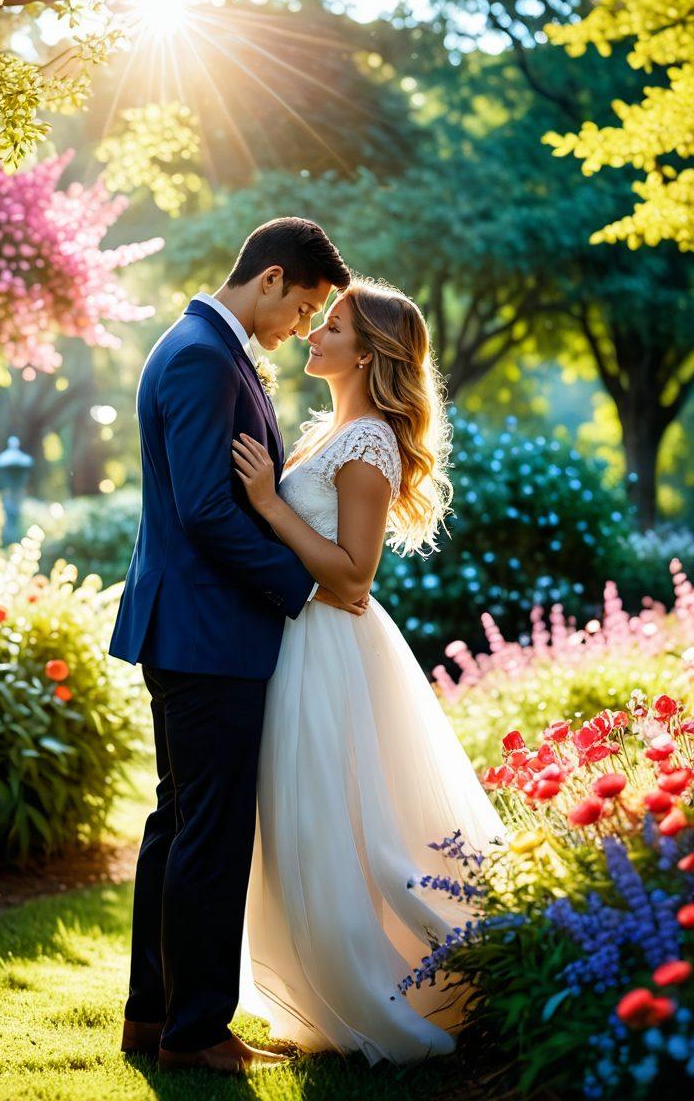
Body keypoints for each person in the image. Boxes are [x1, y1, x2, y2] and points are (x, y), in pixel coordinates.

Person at [232, 277, 506, 1065]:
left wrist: (270, 505)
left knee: (338, 822)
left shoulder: (371, 442)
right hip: (296, 638)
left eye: (335, 325)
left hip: (329, 646)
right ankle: (323, 994)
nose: (314, 332)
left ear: (369, 351)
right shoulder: (328, 431)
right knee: (300, 822)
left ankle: (379, 993)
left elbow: (355, 579)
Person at [108, 217, 355, 1073]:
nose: (301, 327)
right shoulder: (203, 357)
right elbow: (208, 509)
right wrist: (300, 583)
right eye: (306, 307)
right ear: (273, 279)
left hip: (191, 627)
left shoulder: (204, 347)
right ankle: (197, 1031)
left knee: (179, 825)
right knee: (208, 834)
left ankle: (154, 1016)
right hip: (208, 632)